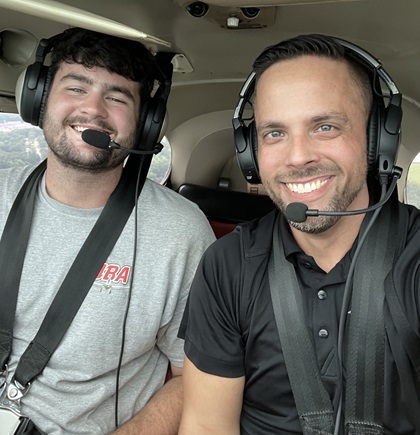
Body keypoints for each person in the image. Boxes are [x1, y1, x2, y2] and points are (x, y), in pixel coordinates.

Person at [178, 34, 420, 434]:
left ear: (377, 141)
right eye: (275, 133)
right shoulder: (227, 266)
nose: (297, 157)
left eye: (325, 126)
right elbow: (206, 425)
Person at [0, 27, 215, 434]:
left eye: (117, 97)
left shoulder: (179, 233)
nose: (93, 110)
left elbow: (197, 374)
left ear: (146, 124)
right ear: (39, 98)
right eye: (76, 87)